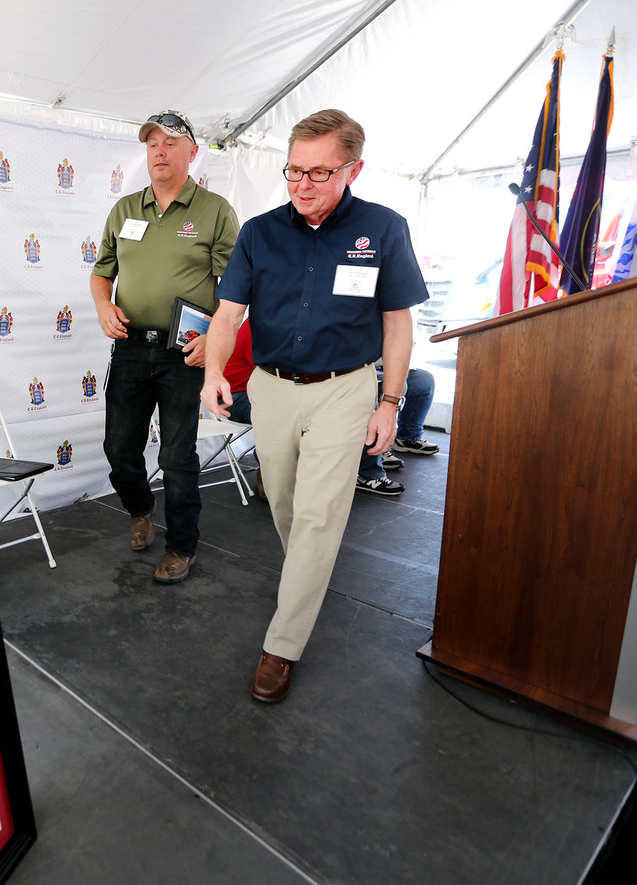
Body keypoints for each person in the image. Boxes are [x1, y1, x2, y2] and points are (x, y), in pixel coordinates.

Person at [202, 109, 428, 702]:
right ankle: (309, 572)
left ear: (353, 168)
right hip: (271, 388)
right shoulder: (258, 232)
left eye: (319, 173)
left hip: (346, 387)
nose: (302, 185)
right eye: (293, 171)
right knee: (285, 506)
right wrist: (211, 376)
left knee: (320, 515)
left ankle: (282, 644)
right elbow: (227, 316)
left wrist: (390, 401)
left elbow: (398, 322)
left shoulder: (383, 228)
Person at [91, 110, 239, 584]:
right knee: (119, 448)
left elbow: (237, 286)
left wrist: (214, 340)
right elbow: (102, 273)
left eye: (170, 143)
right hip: (132, 346)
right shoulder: (125, 209)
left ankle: (181, 546)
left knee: (177, 456)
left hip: (186, 351)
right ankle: (140, 509)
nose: (159, 150)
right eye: (152, 143)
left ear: (192, 152)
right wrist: (102, 306)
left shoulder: (214, 210)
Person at [356, 367, 437, 496]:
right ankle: (367, 473)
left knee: (424, 380)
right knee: (376, 392)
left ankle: (408, 437)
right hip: (361, 371)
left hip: (382, 367)